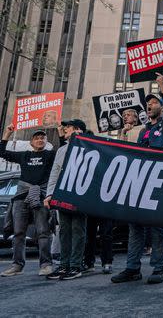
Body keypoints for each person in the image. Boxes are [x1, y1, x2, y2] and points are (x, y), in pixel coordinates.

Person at [111, 72, 163, 285]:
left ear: (161, 106)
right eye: (147, 103)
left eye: (154, 102)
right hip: (140, 184)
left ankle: (160, 267)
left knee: (157, 227)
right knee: (135, 226)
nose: (149, 105)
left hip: (159, 185)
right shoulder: (142, 132)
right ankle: (132, 268)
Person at [0, 125, 55, 277]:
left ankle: (46, 264)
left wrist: (59, 129)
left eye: (42, 138)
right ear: (31, 142)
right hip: (21, 198)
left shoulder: (50, 155)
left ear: (45, 141)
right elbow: (2, 152)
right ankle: (17, 265)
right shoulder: (24, 155)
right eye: (36, 138)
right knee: (18, 233)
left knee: (43, 232)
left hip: (41, 197)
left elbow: (65, 150)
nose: (39, 140)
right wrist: (7, 134)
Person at [44, 119, 88, 280]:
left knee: (77, 229)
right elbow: (55, 172)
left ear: (78, 130)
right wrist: (50, 194)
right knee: (64, 230)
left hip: (80, 193)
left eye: (68, 127)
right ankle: (64, 265)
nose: (65, 129)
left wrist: (81, 139)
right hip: (62, 194)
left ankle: (76, 265)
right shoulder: (61, 150)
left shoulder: (88, 146)